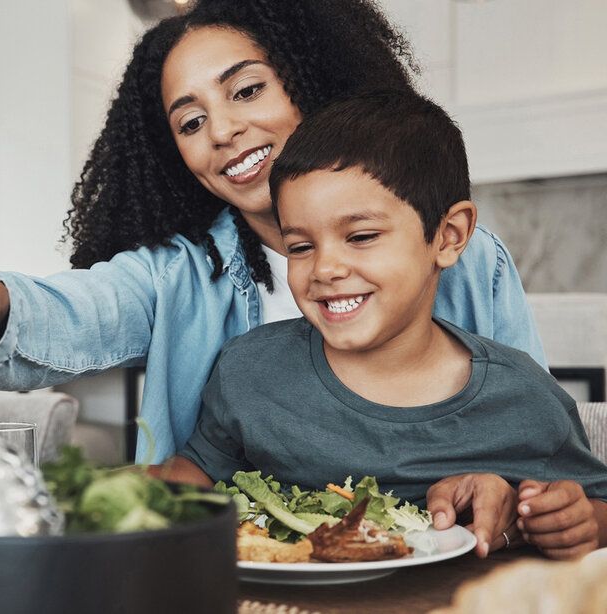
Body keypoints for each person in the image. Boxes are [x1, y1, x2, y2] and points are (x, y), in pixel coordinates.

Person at [0, 1, 545, 465]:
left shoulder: (466, 259)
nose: (224, 131)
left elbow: (534, 435)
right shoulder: (178, 273)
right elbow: (71, 312)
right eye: (191, 121)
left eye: (247, 90)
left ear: (310, 80)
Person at [161, 90, 607, 560]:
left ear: (449, 236)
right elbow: (196, 471)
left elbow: (595, 505)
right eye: (301, 247)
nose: (325, 269)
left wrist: (578, 523)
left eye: (361, 236)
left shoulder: (523, 396)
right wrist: (149, 496)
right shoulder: (250, 369)